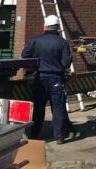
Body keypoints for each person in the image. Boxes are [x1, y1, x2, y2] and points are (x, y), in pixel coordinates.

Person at [21, 14, 75, 144]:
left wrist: (35, 65)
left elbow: (24, 56)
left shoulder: (35, 41)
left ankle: (35, 134)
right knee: (58, 108)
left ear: (44, 26)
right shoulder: (62, 42)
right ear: (57, 27)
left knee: (39, 107)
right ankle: (59, 137)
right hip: (56, 79)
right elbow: (66, 63)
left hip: (40, 78)